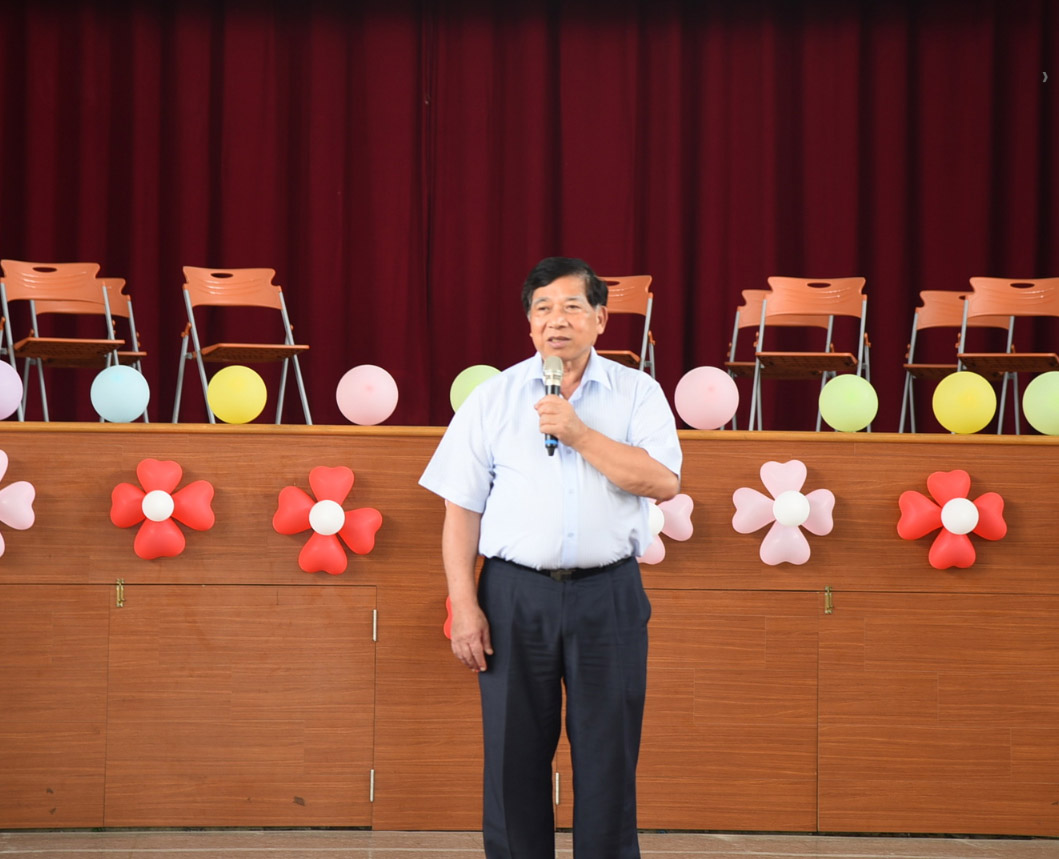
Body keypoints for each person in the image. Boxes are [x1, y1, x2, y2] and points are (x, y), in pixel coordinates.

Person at [419, 256, 683, 859]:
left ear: (600, 318)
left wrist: (579, 433)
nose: (555, 321)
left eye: (570, 307)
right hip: (514, 596)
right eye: (542, 309)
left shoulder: (637, 394)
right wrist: (464, 604)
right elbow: (461, 509)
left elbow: (662, 483)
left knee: (608, 756)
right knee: (513, 758)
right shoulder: (493, 399)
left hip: (609, 596)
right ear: (529, 325)